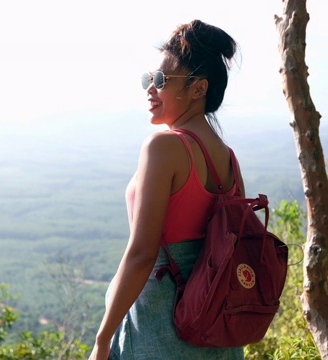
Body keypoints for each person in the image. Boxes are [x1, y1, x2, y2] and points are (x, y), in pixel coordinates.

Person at [89, 20, 245, 360]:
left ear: (198, 88)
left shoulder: (163, 148)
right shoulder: (227, 158)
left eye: (160, 80)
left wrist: (103, 340)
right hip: (217, 330)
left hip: (161, 328)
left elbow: (143, 254)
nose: (150, 89)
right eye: (148, 79)